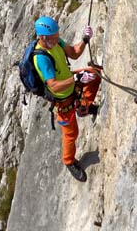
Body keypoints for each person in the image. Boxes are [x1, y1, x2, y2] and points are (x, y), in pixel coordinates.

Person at [33, 15, 101, 182]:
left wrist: (85, 39)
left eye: (57, 36)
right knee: (71, 133)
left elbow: (75, 54)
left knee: (95, 75)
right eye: (53, 38)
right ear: (43, 37)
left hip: (71, 84)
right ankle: (69, 161)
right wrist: (76, 79)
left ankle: (83, 107)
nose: (57, 40)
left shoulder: (55, 41)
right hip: (62, 98)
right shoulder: (41, 58)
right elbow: (54, 85)